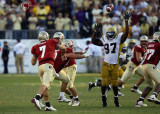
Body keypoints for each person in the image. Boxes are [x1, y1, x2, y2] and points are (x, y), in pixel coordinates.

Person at [91, 12, 131, 107]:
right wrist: (95, 32)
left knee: (115, 84)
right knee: (104, 83)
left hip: (115, 64)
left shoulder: (119, 38)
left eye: (111, 35)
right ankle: (104, 99)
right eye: (108, 35)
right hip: (106, 64)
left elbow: (126, 33)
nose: (109, 36)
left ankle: (116, 99)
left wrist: (126, 21)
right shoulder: (105, 39)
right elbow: (94, 41)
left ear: (115, 34)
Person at [31, 31, 66, 111]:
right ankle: (37, 98)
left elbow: (33, 62)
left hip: (40, 67)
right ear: (47, 37)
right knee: (45, 85)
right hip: (48, 66)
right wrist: (63, 54)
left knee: (45, 86)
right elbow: (62, 48)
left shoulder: (35, 47)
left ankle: (48, 105)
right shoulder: (51, 41)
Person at [136, 32, 160, 107]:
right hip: (150, 66)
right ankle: (154, 95)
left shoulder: (149, 44)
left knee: (151, 85)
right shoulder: (158, 45)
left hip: (144, 66)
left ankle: (140, 101)